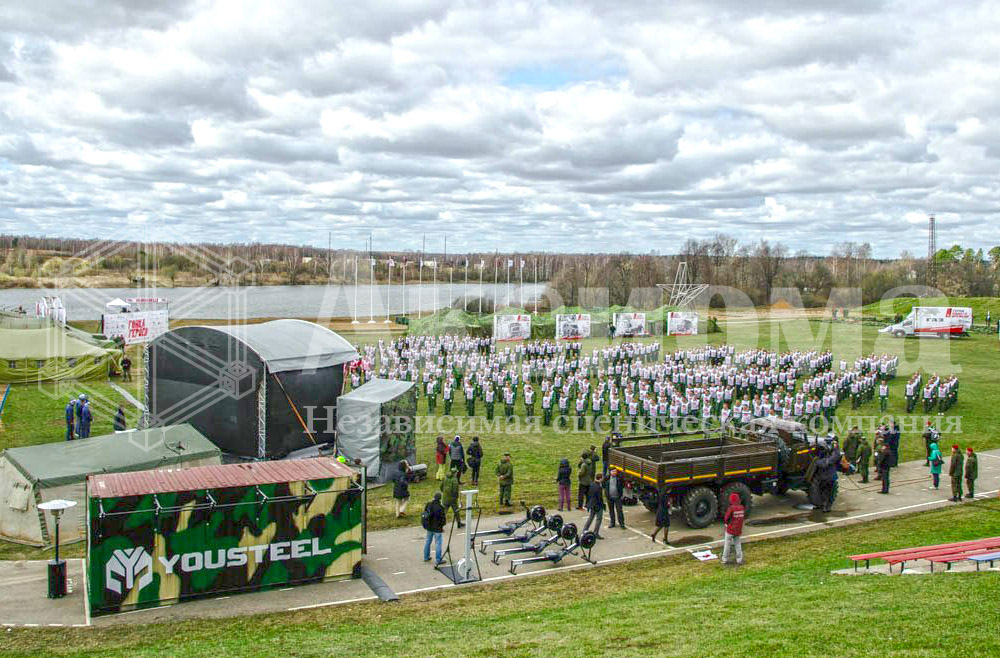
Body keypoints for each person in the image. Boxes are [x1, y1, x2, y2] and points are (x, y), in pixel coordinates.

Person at [421, 492, 446, 564]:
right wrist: (442, 526)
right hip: (437, 528)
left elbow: (425, 513)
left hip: (429, 527)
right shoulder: (441, 508)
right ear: (440, 498)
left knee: (428, 541)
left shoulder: (429, 504)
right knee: (438, 543)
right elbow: (443, 520)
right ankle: (438, 559)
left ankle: (426, 557)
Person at [721, 492, 745, 566]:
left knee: (727, 544)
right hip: (738, 530)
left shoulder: (731, 508)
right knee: (738, 544)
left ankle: (725, 559)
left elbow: (726, 517)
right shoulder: (742, 508)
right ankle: (739, 559)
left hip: (730, 530)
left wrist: (726, 524)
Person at [582, 474, 605, 539]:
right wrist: (602, 505)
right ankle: (596, 532)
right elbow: (600, 497)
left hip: (592, 504)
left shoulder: (592, 484)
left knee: (591, 517)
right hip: (598, 505)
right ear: (600, 478)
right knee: (599, 519)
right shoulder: (599, 487)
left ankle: (585, 530)